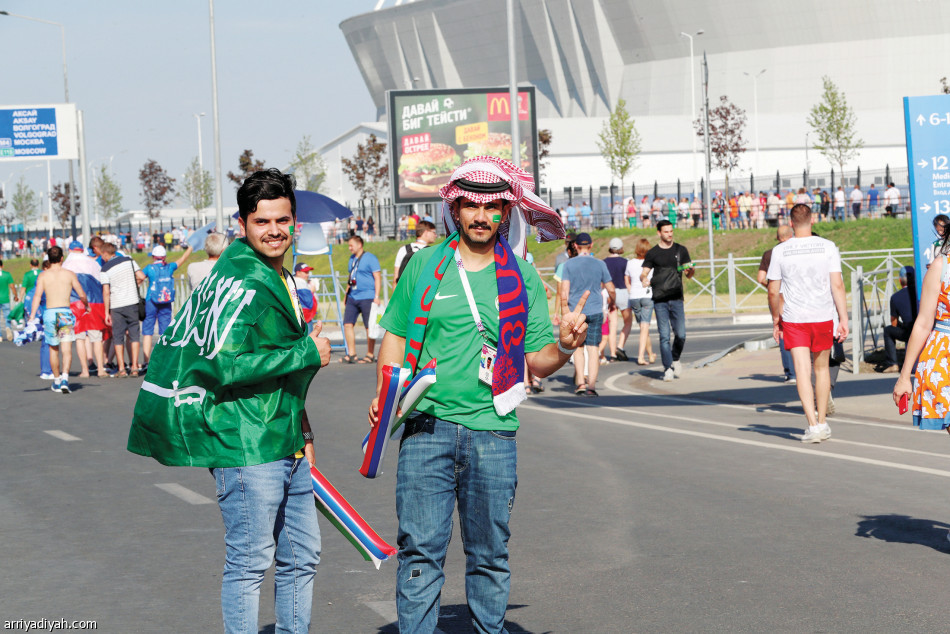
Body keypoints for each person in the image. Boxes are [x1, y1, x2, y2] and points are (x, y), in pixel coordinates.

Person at [369, 155, 580, 633]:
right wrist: (386, 389)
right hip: (426, 430)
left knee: (489, 556)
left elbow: (538, 358)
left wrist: (566, 347)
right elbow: (396, 335)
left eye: (491, 208)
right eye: (471, 206)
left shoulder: (522, 277)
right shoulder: (425, 264)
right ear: (455, 209)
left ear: (505, 213)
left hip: (494, 433)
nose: (481, 216)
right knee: (420, 553)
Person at [127, 168, 331, 633]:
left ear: (294, 221)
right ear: (243, 224)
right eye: (262, 222)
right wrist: (306, 351)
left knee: (302, 556)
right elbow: (225, 364)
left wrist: (304, 431)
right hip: (246, 442)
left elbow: (274, 366)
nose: (274, 230)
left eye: (282, 220)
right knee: (250, 561)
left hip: (285, 437)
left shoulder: (268, 272)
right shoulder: (242, 280)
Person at [767, 203, 849, 443]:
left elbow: (773, 291)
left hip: (794, 318)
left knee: (802, 371)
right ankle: (823, 422)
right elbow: (838, 285)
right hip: (822, 316)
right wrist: (843, 318)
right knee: (821, 369)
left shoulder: (781, 250)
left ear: (790, 223)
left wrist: (775, 319)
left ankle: (812, 425)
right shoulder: (828, 247)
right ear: (812, 220)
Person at [28, 246, 89, 393]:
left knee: (53, 348)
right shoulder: (69, 274)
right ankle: (65, 378)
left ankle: (56, 380)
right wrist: (86, 306)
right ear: (62, 258)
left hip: (50, 313)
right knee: (67, 349)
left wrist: (32, 315)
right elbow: (81, 293)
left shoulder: (43, 276)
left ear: (48, 259)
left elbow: (36, 296)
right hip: (65, 313)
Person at [561, 232, 616, 396]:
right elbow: (611, 288)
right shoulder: (600, 264)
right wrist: (612, 302)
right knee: (593, 348)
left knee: (578, 348)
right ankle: (591, 385)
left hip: (576, 311)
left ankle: (580, 383)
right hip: (595, 309)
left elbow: (564, 291)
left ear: (575, 246)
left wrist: (565, 313)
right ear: (591, 246)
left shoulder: (568, 265)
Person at [640, 220, 693, 382]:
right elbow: (644, 272)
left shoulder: (680, 250)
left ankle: (675, 357)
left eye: (671, 231)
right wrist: (644, 279)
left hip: (676, 297)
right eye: (666, 232)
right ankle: (668, 367)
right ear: (659, 233)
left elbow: (689, 274)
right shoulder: (653, 253)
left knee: (681, 334)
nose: (669, 234)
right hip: (660, 299)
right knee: (664, 336)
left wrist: (690, 270)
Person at [142, 243, 194, 366]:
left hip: (151, 300)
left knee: (147, 331)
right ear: (164, 257)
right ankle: (164, 360)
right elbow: (182, 259)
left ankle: (146, 361)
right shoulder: (170, 267)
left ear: (154, 257)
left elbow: (140, 277)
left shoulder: (149, 268)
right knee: (164, 332)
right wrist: (191, 247)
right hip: (166, 301)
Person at [100, 241, 146, 377]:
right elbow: (142, 276)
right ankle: (134, 367)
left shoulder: (105, 269)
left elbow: (106, 292)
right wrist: (134, 285)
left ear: (105, 254)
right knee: (134, 336)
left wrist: (106, 311)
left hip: (116, 305)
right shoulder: (129, 260)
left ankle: (121, 368)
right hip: (132, 302)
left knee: (118, 337)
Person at [757, 225, 797, 383]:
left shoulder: (769, 254)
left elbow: (760, 278)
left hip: (778, 298)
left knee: (782, 333)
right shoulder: (795, 251)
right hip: (795, 295)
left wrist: (771, 287)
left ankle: (790, 373)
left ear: (777, 237)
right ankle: (804, 368)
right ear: (791, 235)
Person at [63, 240, 108, 378]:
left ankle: (85, 370)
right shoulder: (93, 263)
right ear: (82, 250)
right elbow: (102, 283)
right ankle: (101, 369)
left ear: (70, 250)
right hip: (95, 303)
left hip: (75, 304)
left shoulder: (66, 265)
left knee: (80, 338)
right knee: (96, 337)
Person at [341, 234, 381, 364]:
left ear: (360, 245)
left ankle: (370, 354)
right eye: (349, 245)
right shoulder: (351, 259)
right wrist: (346, 294)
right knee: (347, 324)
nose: (349, 248)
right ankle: (352, 354)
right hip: (353, 296)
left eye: (351, 245)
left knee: (369, 326)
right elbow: (350, 277)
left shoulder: (371, 258)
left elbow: (377, 277)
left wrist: (377, 296)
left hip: (368, 297)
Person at [625, 238, 656, 366]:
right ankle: (640, 357)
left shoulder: (630, 262)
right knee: (645, 327)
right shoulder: (651, 263)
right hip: (647, 295)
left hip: (634, 297)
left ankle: (650, 354)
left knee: (644, 327)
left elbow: (626, 279)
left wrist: (631, 290)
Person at [879, 266, 915, 373]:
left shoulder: (895, 297)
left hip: (907, 333)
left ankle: (893, 364)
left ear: (900, 281)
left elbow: (894, 323)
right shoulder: (920, 292)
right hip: (924, 330)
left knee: (888, 330)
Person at [603, 237, 630, 361]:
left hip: (610, 293)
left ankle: (613, 354)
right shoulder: (626, 262)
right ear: (620, 248)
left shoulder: (603, 262)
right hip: (623, 292)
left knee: (612, 325)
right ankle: (620, 346)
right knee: (628, 322)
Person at [392, 219, 436, 287]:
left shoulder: (403, 249)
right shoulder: (432, 252)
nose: (435, 235)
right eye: (434, 232)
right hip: (423, 293)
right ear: (426, 232)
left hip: (405, 292)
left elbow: (395, 279)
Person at [0, 258, 15, 341]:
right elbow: (12, 286)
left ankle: (0, 336)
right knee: (7, 316)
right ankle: (8, 327)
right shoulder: (7, 274)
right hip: (5, 299)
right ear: (2, 266)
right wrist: (15, 295)